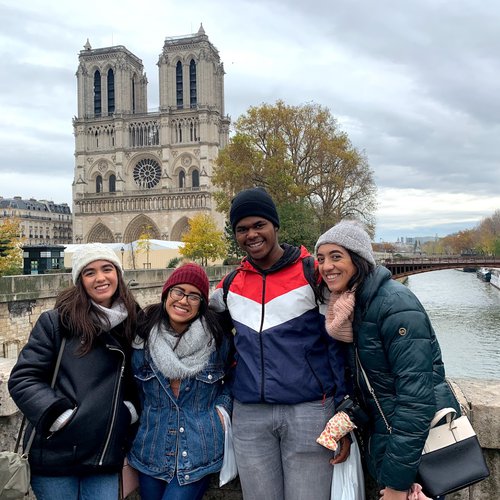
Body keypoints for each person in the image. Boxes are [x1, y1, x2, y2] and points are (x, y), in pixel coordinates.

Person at [210, 187, 349, 500]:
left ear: (275, 226)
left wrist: (344, 409)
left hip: (309, 410)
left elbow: (339, 347)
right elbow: (193, 318)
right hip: (249, 414)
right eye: (242, 229)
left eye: (259, 225)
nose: (251, 234)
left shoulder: (312, 273)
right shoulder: (231, 284)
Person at [315, 220, 460, 500]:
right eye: (321, 258)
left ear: (358, 259)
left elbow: (416, 401)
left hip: (414, 458)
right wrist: (349, 420)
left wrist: (397, 485)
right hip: (388, 447)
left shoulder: (395, 305)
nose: (326, 266)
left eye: (336, 256)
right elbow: (369, 384)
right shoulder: (352, 306)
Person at [8, 243, 140, 500]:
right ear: (80, 280)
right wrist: (58, 416)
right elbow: (23, 378)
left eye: (106, 269)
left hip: (105, 454)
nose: (100, 278)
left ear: (118, 274)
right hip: (56, 454)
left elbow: (143, 376)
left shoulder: (133, 322)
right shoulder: (57, 322)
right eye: (89, 272)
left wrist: (130, 411)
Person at [128, 263, 233, 500]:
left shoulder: (217, 340)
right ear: (167, 294)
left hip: (199, 450)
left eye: (194, 296)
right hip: (151, 450)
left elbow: (236, 378)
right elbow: (133, 389)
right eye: (178, 292)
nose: (184, 301)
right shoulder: (142, 339)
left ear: (202, 304)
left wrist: (222, 409)